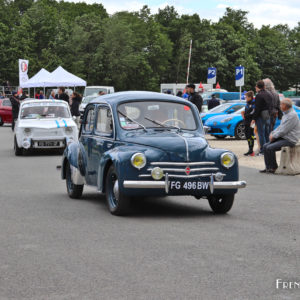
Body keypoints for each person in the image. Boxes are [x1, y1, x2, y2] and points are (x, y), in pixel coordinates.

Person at [260, 98, 300, 174]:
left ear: (285, 105)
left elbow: (284, 130)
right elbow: (280, 127)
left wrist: (274, 136)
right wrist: (272, 133)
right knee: (265, 146)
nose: (280, 106)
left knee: (270, 147)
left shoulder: (292, 115)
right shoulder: (286, 114)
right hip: (284, 137)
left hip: (290, 140)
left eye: (281, 104)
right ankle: (268, 167)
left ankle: (273, 167)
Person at [251, 80, 273, 155]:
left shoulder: (259, 95)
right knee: (267, 133)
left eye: (256, 87)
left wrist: (254, 118)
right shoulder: (269, 94)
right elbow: (271, 105)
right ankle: (268, 149)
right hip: (268, 115)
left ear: (257, 87)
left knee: (261, 134)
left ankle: (262, 151)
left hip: (260, 116)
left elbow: (257, 108)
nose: (255, 88)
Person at [241, 91, 255, 156]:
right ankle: (249, 149)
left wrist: (246, 115)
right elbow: (246, 111)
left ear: (250, 97)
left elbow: (253, 112)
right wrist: (243, 114)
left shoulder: (253, 103)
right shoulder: (247, 103)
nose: (245, 98)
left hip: (251, 121)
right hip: (246, 121)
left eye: (246, 97)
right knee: (247, 135)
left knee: (250, 135)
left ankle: (251, 150)